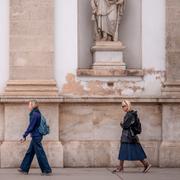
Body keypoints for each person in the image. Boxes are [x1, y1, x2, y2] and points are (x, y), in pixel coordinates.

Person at [113, 100, 151, 173]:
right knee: (123, 151)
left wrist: (121, 124)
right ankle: (121, 167)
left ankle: (146, 164)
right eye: (122, 106)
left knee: (135, 151)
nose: (122, 107)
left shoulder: (130, 115)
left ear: (128, 105)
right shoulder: (130, 114)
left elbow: (126, 126)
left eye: (124, 106)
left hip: (129, 136)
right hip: (128, 136)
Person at [18, 100, 52, 175]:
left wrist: (24, 135)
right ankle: (24, 168)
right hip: (36, 136)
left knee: (40, 153)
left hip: (36, 136)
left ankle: (46, 170)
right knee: (30, 152)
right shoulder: (36, 113)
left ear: (33, 105)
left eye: (29, 104)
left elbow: (31, 126)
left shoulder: (35, 114)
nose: (28, 106)